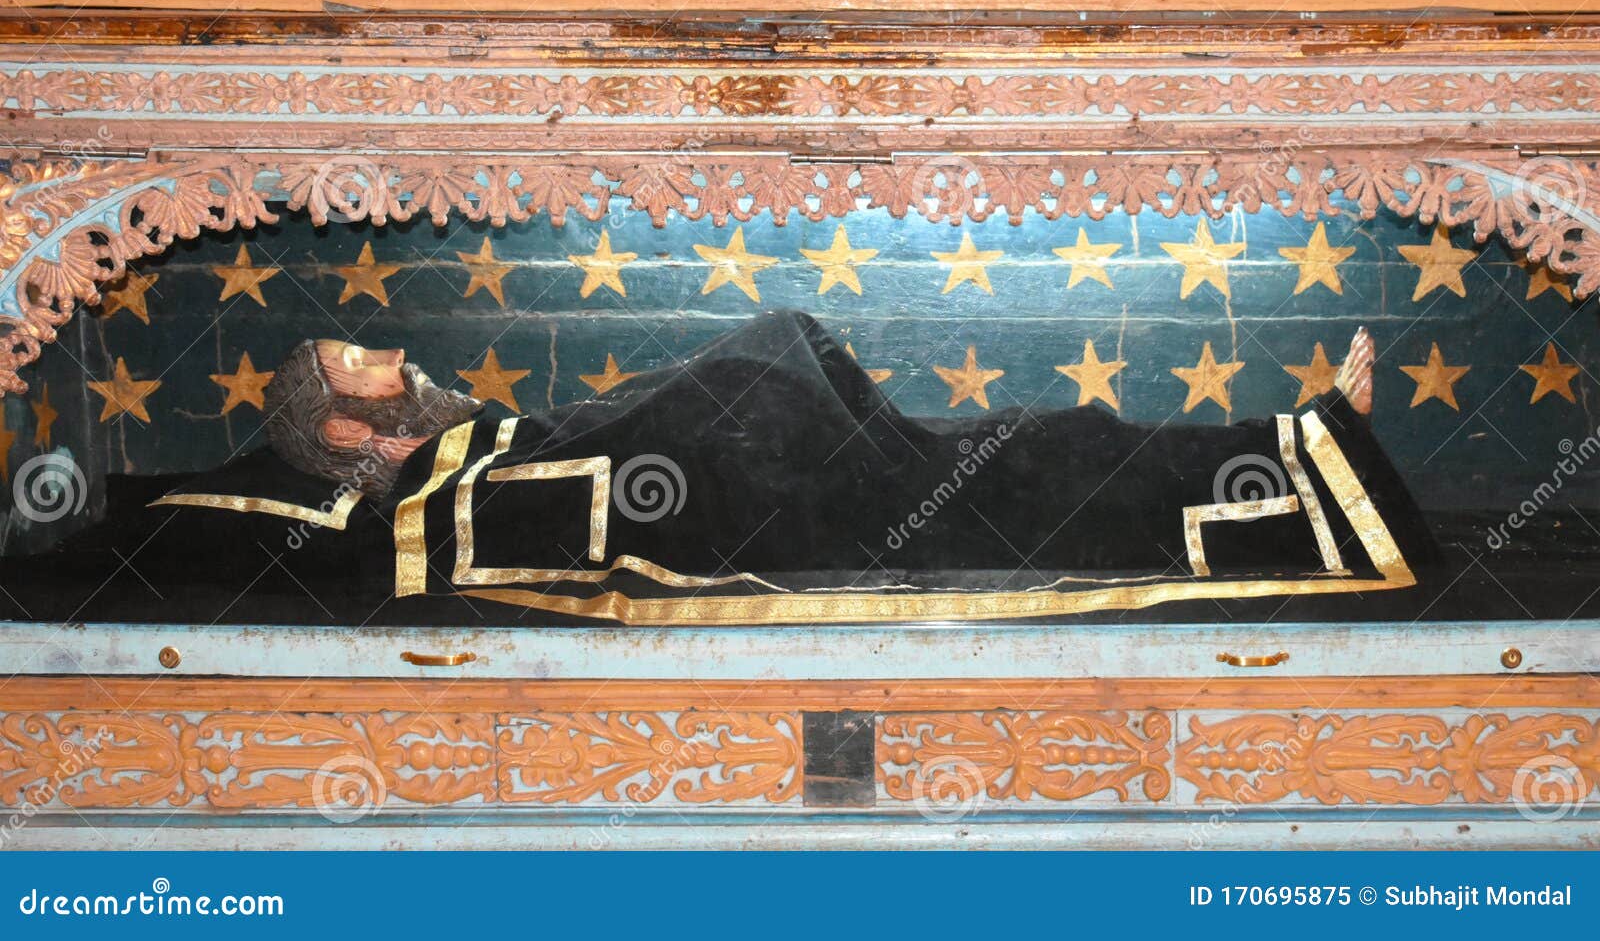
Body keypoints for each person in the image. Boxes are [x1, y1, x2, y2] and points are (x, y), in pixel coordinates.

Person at [256, 310, 1431, 625]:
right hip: (815, 517)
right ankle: (1317, 465)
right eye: (361, 363)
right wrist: (731, 402)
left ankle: (1307, 449)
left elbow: (611, 440)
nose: (394, 353)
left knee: (1053, 440)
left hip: (836, 477)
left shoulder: (471, 456)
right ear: (351, 434)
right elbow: (622, 497)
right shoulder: (436, 501)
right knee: (1056, 466)